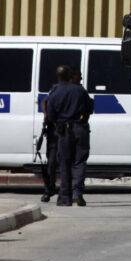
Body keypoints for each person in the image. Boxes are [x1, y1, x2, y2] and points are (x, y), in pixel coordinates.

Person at [45, 65, 93, 207]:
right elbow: (90, 108)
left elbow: (51, 115)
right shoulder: (80, 90)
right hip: (80, 128)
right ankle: (78, 194)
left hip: (63, 131)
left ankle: (65, 198)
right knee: (79, 162)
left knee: (64, 163)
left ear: (58, 76)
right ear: (69, 75)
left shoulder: (54, 92)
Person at [38, 67, 64, 203]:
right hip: (55, 131)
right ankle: (49, 189)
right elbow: (45, 102)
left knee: (62, 162)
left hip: (63, 131)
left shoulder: (72, 89)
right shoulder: (56, 89)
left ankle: (64, 192)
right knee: (52, 162)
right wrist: (47, 116)